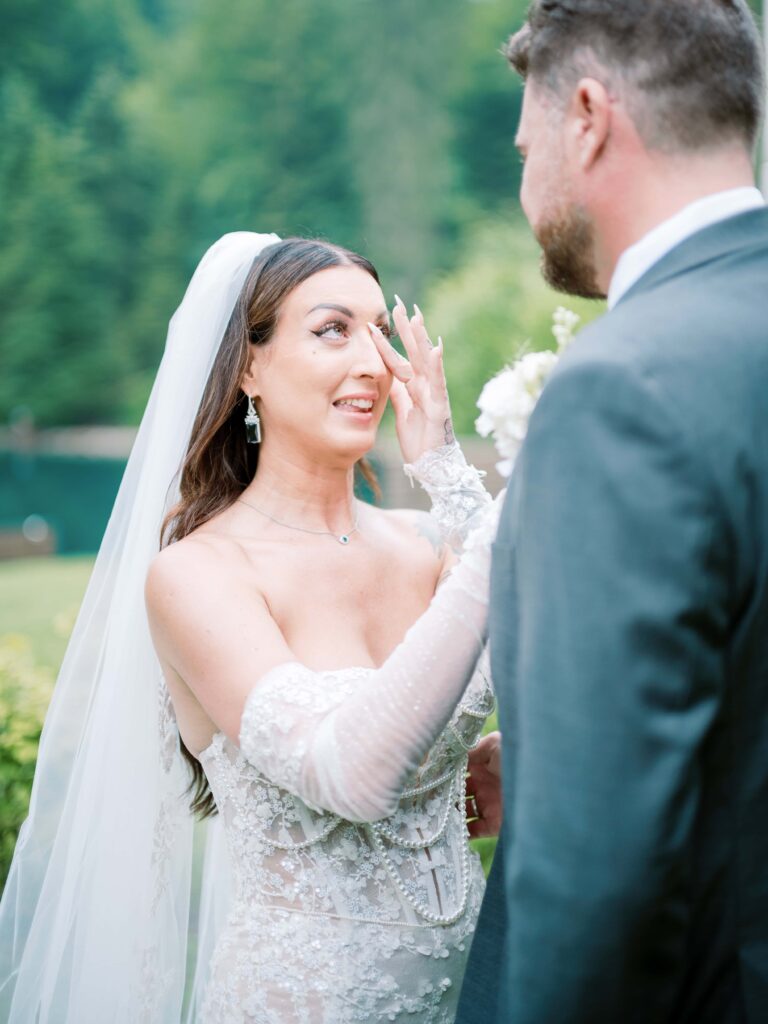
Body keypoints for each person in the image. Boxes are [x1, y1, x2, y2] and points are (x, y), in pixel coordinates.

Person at [0, 231, 502, 1023]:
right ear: (247, 367)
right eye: (333, 330)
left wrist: (447, 472)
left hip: (477, 990)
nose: (374, 362)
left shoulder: (433, 544)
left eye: (381, 331)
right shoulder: (199, 576)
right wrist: (508, 523)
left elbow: (547, 673)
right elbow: (349, 775)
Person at [455, 2, 768, 1022]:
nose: (523, 182)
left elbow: (600, 877)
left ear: (586, 115)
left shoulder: (622, 392)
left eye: (524, 143)